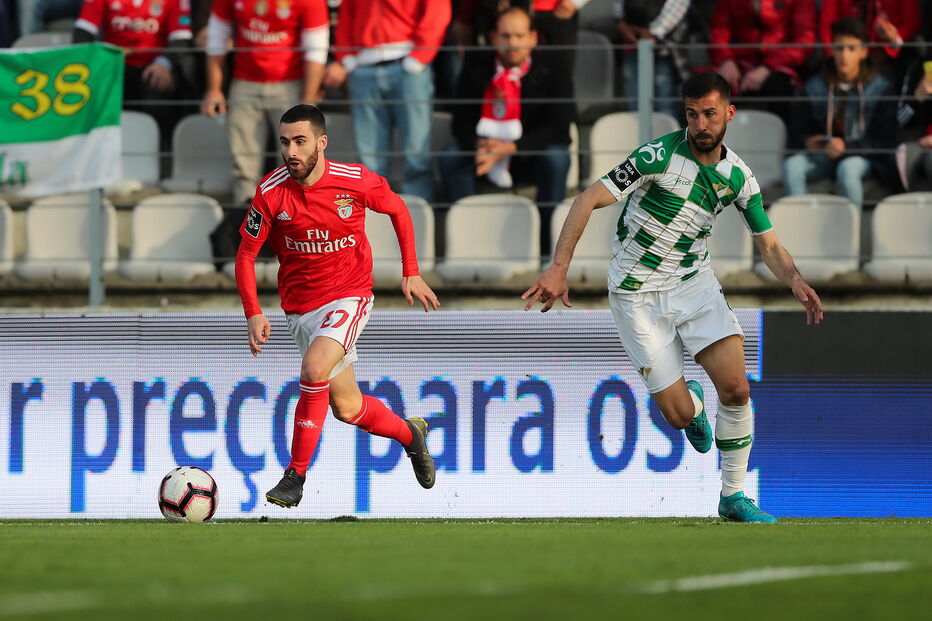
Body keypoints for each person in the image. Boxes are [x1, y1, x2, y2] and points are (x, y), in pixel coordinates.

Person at [522, 71, 824, 523]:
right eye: (692, 114)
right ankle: (693, 406)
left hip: (693, 284)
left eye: (710, 114)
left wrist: (795, 280)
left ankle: (733, 496)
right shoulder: (656, 156)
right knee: (681, 416)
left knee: (738, 389)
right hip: (635, 293)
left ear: (729, 114)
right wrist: (559, 268)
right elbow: (586, 199)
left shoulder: (738, 177)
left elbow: (770, 245)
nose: (701, 124)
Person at [235, 104, 441, 508]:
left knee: (313, 369)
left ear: (321, 143)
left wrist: (411, 270)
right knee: (347, 407)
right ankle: (410, 435)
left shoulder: (355, 180)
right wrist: (253, 311)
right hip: (299, 308)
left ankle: (294, 476)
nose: (290, 151)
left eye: (300, 141)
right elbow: (245, 255)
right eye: (284, 142)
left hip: (349, 294)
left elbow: (399, 209)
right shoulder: (270, 191)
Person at [438, 6, 573, 247]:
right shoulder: (476, 64)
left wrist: (510, 148)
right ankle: (469, 238)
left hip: (528, 155)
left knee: (557, 157)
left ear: (533, 37)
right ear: (492, 38)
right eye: (505, 36)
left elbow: (559, 127)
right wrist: (479, 145)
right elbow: (461, 122)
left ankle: (546, 243)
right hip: (485, 153)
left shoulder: (555, 65)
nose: (513, 43)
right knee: (450, 158)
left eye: (519, 36)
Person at [201, 0, 330, 204]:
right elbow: (217, 37)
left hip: (290, 85)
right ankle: (246, 224)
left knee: (297, 161)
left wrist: (308, 101)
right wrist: (214, 89)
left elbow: (316, 48)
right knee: (243, 166)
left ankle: (294, 223)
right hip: (244, 83)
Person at [323, 0, 451, 202]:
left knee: (416, 155)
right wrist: (347, 57)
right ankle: (375, 222)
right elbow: (347, 12)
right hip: (366, 67)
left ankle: (416, 224)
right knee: (369, 161)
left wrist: (420, 56)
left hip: (407, 65)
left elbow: (437, 10)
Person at [783, 18, 896, 211]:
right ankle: (801, 228)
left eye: (851, 49)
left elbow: (884, 141)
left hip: (864, 158)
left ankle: (852, 236)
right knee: (792, 166)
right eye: (839, 48)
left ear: (864, 52)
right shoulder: (815, 86)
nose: (844, 55)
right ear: (832, 49)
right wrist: (808, 142)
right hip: (825, 155)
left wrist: (847, 147)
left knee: (849, 168)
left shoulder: (881, 88)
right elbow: (796, 131)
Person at [73, 0, 193, 144]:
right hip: (116, 64)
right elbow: (82, 33)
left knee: (157, 83)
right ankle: (104, 148)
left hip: (155, 64)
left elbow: (182, 40)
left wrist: (164, 64)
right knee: (97, 86)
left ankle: (159, 150)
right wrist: (100, 63)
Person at [708, 0, 816, 123]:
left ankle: (782, 139)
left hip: (783, 63)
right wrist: (726, 61)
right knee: (711, 88)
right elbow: (718, 32)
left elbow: (804, 42)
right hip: (739, 62)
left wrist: (767, 67)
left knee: (779, 88)